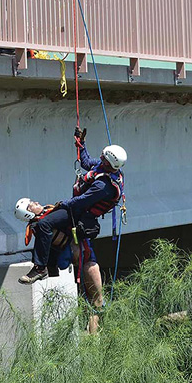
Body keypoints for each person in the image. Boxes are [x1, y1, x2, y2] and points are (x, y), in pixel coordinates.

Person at [18, 128, 127, 285]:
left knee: (43, 224)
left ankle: (40, 269)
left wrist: (62, 203)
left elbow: (82, 201)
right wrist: (81, 144)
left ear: (107, 161)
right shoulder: (105, 167)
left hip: (80, 213)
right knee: (47, 223)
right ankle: (52, 266)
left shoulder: (103, 186)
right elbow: (86, 162)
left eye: (103, 156)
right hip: (77, 208)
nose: (100, 156)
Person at [14, 198, 104, 333]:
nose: (36, 202)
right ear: (28, 213)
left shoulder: (49, 219)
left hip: (85, 257)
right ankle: (94, 336)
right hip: (86, 261)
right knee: (96, 301)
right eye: (31, 205)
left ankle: (93, 335)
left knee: (95, 301)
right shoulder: (41, 226)